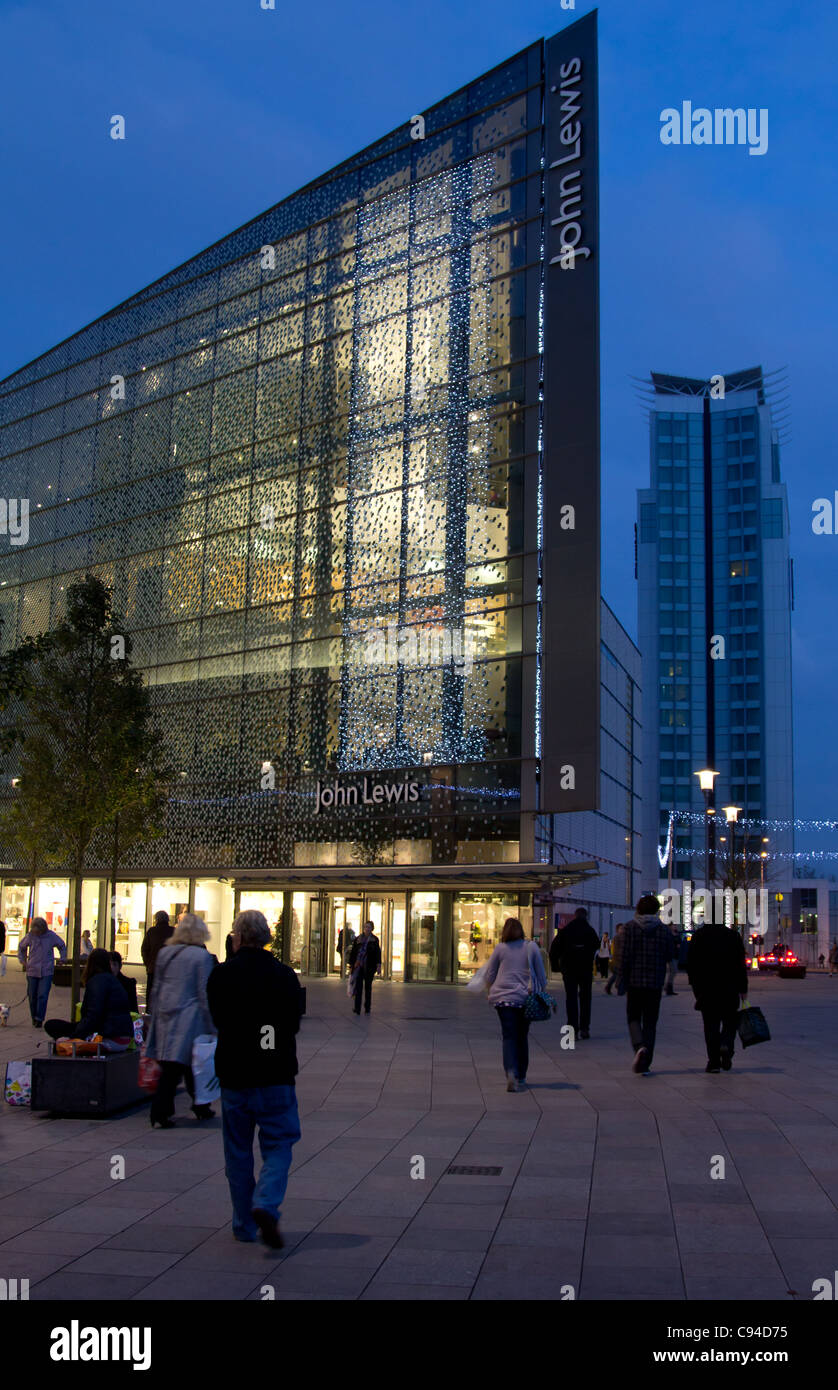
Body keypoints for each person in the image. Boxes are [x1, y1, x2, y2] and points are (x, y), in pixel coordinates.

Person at [207, 909, 303, 1248]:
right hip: (275, 1073)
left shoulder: (221, 975)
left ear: (238, 937)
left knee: (237, 1151)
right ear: (265, 937)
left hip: (235, 1073)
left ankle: (243, 1224)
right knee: (280, 1143)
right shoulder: (284, 975)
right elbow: (292, 1023)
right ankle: (266, 1202)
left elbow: (218, 1019)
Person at [144, 914, 217, 1128]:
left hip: (166, 1016)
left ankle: (199, 1105)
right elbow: (204, 992)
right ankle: (161, 1110)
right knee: (182, 1066)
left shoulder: (165, 953)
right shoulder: (201, 956)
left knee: (177, 1064)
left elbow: (157, 986)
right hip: (190, 1019)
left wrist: (153, 1012)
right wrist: (211, 1023)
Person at [618, 893, 679, 1076]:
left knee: (633, 1017)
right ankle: (646, 1060)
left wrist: (621, 980)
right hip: (654, 984)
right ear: (656, 910)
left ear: (638, 909)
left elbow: (624, 958)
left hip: (634, 983)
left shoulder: (628, 929)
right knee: (651, 1023)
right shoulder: (663, 930)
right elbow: (670, 958)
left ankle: (639, 1047)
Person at [483, 918, 546, 1092]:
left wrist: (490, 991)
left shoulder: (500, 948)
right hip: (524, 998)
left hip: (503, 999)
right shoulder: (530, 947)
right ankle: (521, 1075)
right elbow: (541, 975)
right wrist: (542, 991)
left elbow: (490, 974)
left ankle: (510, 1071)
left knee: (508, 1036)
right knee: (522, 1036)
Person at [687, 922, 749, 1073]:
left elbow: (691, 964)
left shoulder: (699, 936)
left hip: (706, 989)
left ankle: (714, 1062)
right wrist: (743, 988)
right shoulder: (733, 936)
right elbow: (740, 964)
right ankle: (726, 1044)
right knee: (730, 1023)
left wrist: (696, 988)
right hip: (730, 988)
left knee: (710, 1026)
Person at [45, 948, 134, 1051]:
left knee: (52, 1026)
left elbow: (93, 1015)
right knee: (59, 1026)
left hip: (108, 1036)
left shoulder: (97, 981)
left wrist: (73, 1037)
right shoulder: (113, 980)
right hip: (123, 1035)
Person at [549, 907, 600, 1040]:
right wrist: (587, 954)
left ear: (575, 915)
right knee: (585, 998)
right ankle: (585, 1028)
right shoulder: (590, 931)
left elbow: (554, 949)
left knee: (571, 998)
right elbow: (596, 944)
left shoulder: (566, 930)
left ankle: (572, 1028)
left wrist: (556, 966)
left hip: (569, 969)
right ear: (586, 916)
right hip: (585, 969)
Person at [18, 917, 67, 1028]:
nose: (37, 934)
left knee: (43, 995)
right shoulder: (30, 936)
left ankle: (39, 1018)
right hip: (32, 970)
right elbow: (21, 947)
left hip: (46, 970)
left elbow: (62, 945)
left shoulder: (51, 936)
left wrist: (62, 958)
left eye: (39, 932)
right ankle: (34, 1016)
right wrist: (22, 960)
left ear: (43, 929)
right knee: (32, 996)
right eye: (35, 932)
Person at [141, 909, 174, 1009]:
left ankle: (150, 1015)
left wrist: (148, 964)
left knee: (152, 998)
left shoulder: (152, 931)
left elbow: (144, 949)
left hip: (154, 968)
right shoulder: (173, 931)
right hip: (169, 970)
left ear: (156, 920)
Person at [347, 920, 382, 1015]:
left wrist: (378, 965)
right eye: (366, 927)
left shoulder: (374, 940)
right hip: (359, 966)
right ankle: (357, 1008)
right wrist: (351, 965)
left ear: (372, 929)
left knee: (368, 987)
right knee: (358, 988)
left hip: (369, 966)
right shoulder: (358, 939)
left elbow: (377, 953)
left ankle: (367, 1007)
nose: (367, 929)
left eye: (369, 927)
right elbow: (354, 953)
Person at [604, 923, 625, 994]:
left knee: (617, 975)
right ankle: (619, 989)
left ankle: (609, 987)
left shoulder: (624, 937)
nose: (622, 930)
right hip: (617, 960)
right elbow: (616, 949)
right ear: (617, 930)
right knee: (618, 975)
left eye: (623, 928)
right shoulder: (617, 938)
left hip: (621, 960)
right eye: (621, 928)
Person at [663, 922, 681, 996]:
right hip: (670, 955)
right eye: (673, 925)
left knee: (673, 971)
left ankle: (668, 987)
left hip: (676, 954)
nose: (675, 927)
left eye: (675, 925)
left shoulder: (676, 934)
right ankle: (668, 987)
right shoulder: (668, 934)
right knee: (673, 971)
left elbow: (679, 942)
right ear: (670, 926)